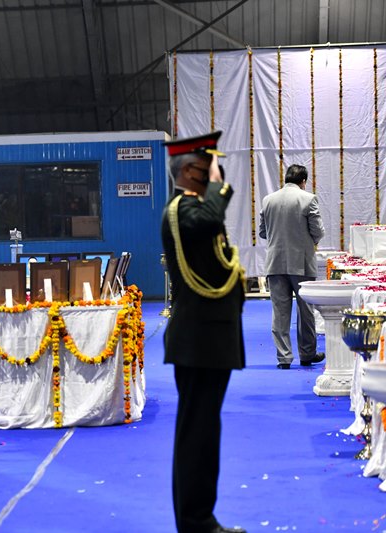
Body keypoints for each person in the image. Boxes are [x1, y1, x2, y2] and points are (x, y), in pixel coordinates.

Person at [160, 131, 246, 533]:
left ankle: (200, 517)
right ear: (191, 171)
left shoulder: (192, 210)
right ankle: (195, 522)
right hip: (199, 341)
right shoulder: (182, 210)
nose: (216, 171)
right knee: (198, 433)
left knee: (203, 432)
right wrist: (216, 181)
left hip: (208, 340)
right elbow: (212, 216)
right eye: (208, 165)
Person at [258, 164, 325, 370]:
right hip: (302, 264)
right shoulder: (308, 199)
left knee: (279, 312)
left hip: (275, 263)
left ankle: (284, 358)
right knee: (305, 311)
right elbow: (318, 231)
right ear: (303, 181)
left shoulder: (268, 200)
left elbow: (262, 232)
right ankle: (307, 354)